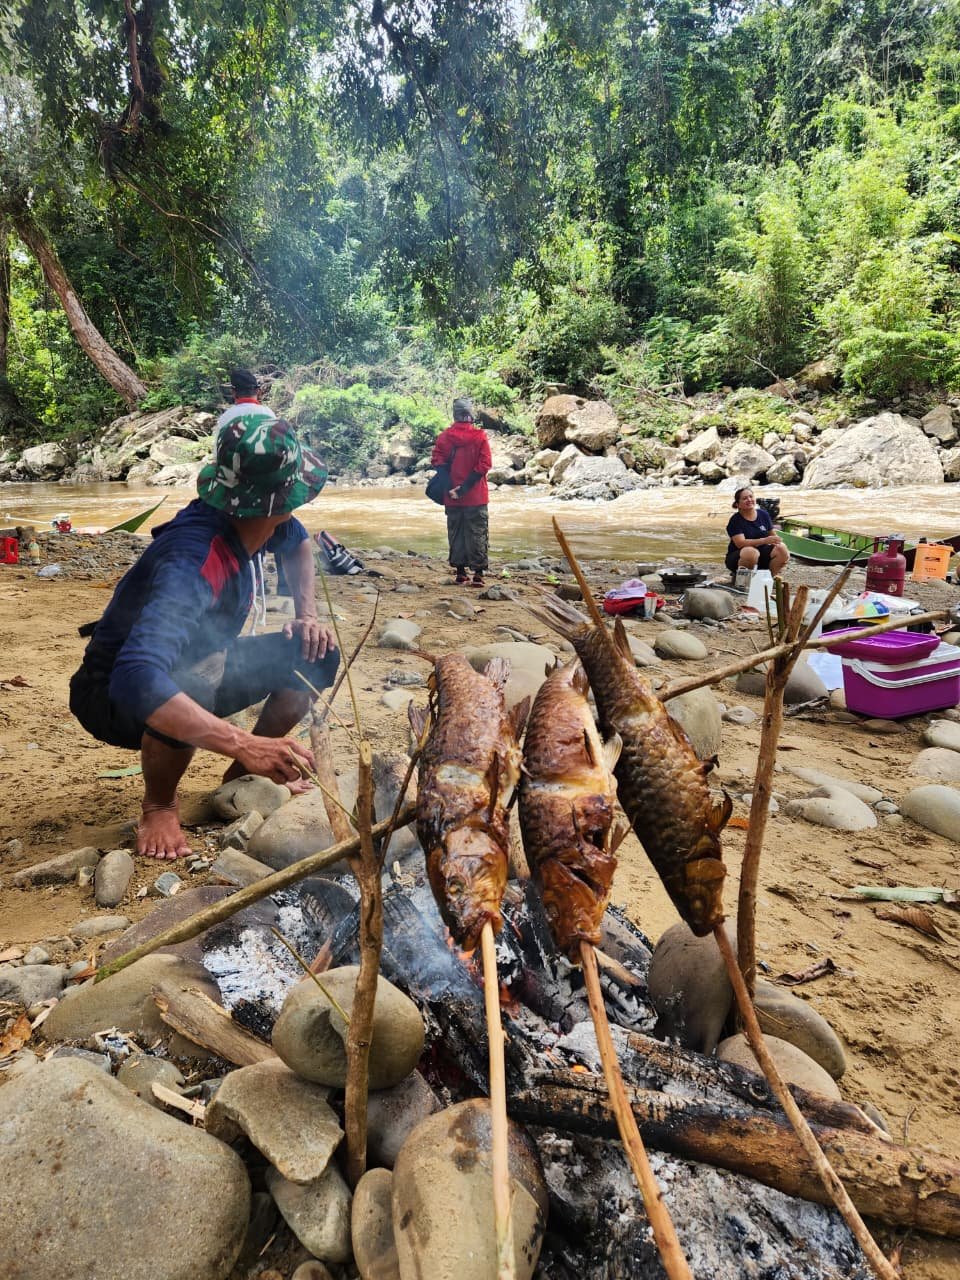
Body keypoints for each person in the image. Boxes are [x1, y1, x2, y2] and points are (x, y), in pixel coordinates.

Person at [69, 417, 339, 861]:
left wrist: (306, 614)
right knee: (189, 679)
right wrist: (245, 742)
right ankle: (160, 805)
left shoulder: (259, 520)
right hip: (112, 697)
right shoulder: (192, 559)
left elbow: (297, 543)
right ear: (278, 502)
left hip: (204, 662)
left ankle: (242, 777)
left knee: (315, 653)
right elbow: (136, 676)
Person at [430, 396, 492, 587]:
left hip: (452, 497)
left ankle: (460, 573)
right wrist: (464, 489)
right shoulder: (480, 436)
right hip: (476, 496)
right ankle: (478, 575)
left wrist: (451, 488)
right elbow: (485, 465)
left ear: (454, 415)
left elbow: (437, 462)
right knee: (478, 533)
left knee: (456, 533)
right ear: (470, 415)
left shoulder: (444, 437)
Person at [725, 486, 790, 577]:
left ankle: (769, 579)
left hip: (762, 555)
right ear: (738, 504)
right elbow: (740, 543)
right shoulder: (735, 520)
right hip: (739, 557)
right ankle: (743, 580)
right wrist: (764, 540)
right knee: (751, 552)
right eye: (745, 498)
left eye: (751, 496)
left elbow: (773, 536)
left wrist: (777, 541)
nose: (749, 500)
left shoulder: (763, 514)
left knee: (781, 548)